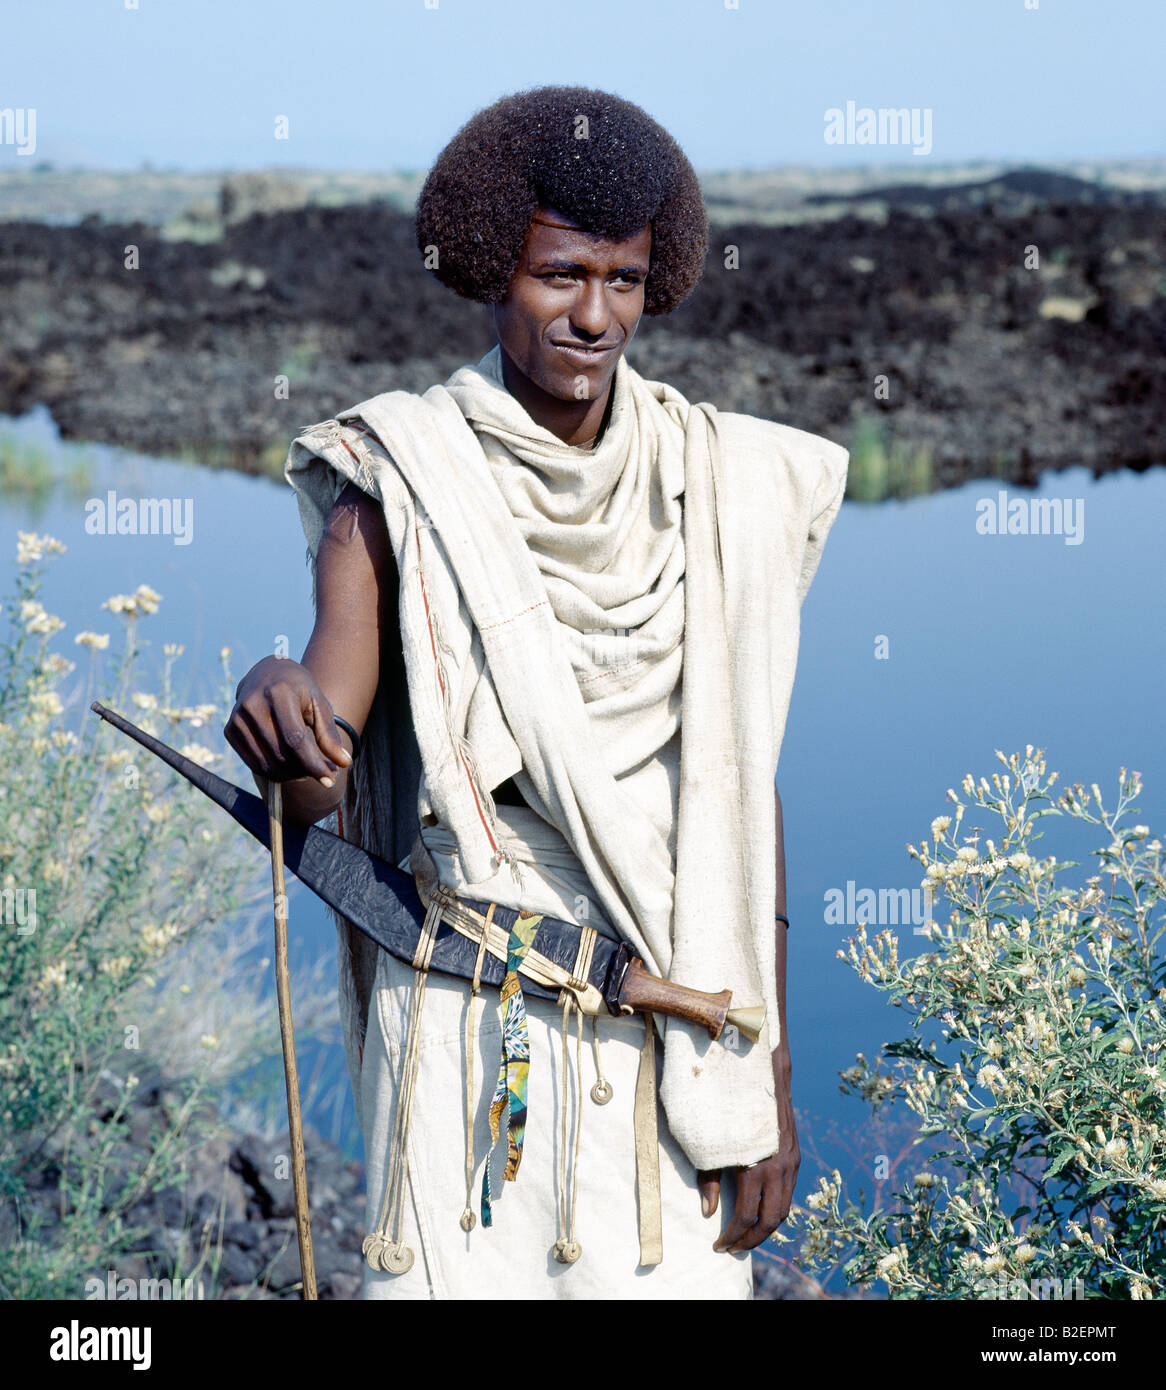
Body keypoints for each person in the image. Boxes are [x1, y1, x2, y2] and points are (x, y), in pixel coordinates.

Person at [224, 85, 847, 1300]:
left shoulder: (720, 477)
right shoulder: (399, 479)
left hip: (678, 1015)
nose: (592, 315)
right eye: (559, 275)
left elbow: (733, 775)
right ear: (490, 269)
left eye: (621, 280)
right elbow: (318, 774)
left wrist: (763, 1064)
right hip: (468, 1014)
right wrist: (277, 701)